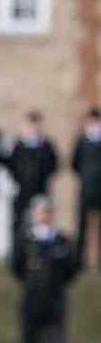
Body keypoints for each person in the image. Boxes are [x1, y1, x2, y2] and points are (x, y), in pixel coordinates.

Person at [13, 195, 77, 343]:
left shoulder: (61, 240)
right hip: (31, 301)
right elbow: (17, 268)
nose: (44, 216)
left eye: (47, 212)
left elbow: (70, 270)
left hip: (55, 300)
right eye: (40, 212)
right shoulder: (25, 239)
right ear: (34, 215)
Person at [7, 112, 57, 234]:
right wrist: (18, 178)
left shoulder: (46, 145)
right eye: (31, 125)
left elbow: (53, 164)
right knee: (20, 219)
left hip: (40, 188)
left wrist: (44, 176)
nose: (34, 128)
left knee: (41, 216)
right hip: (23, 189)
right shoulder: (19, 146)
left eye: (36, 125)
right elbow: (11, 165)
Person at [71, 108, 101, 267]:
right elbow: (75, 164)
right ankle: (79, 258)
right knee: (82, 224)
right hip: (86, 188)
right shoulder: (81, 141)